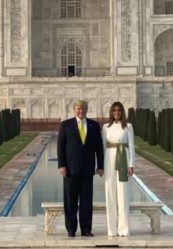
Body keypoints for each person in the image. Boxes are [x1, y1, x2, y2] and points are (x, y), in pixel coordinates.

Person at [57, 99, 104, 237]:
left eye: (83, 108)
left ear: (87, 110)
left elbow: (99, 148)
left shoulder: (94, 125)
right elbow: (60, 147)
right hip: (70, 169)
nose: (81, 111)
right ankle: (71, 229)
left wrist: (100, 166)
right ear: (74, 110)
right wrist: (61, 165)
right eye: (78, 108)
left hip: (88, 170)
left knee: (86, 201)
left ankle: (86, 229)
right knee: (70, 201)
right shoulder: (66, 125)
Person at [101, 101, 135, 237]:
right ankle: (112, 229)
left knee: (123, 195)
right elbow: (103, 147)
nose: (116, 113)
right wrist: (101, 166)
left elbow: (131, 146)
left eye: (119, 110)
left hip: (123, 158)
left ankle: (123, 229)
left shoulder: (128, 126)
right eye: (114, 110)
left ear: (122, 112)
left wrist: (131, 164)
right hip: (109, 159)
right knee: (110, 194)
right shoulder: (105, 127)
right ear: (111, 112)